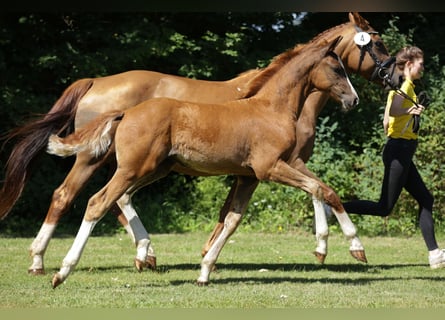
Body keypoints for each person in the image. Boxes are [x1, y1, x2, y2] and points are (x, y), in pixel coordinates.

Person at [341, 46, 445, 269]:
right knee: (384, 207)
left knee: (426, 200)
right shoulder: (405, 86)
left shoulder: (395, 88)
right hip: (400, 151)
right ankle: (335, 208)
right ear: (409, 65)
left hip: (398, 150)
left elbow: (386, 123)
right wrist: (412, 111)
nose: (423, 68)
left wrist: (409, 112)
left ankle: (435, 254)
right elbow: (398, 111)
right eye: (420, 64)